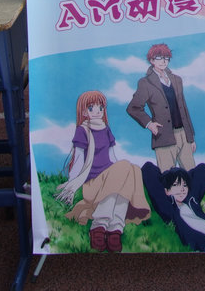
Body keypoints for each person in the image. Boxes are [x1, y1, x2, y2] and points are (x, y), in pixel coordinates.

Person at [55, 90, 150, 253]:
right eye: (91, 108)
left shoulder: (106, 129)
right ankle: (98, 226)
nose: (97, 111)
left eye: (100, 107)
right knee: (126, 168)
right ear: (84, 111)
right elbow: (78, 159)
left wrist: (123, 174)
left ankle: (115, 229)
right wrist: (71, 183)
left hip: (109, 178)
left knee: (131, 170)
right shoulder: (83, 130)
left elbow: (112, 157)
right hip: (93, 183)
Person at [126, 43, 195, 172]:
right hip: (163, 136)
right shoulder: (146, 83)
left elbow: (184, 109)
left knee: (191, 174)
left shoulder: (177, 80)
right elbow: (133, 108)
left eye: (166, 58)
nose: (163, 61)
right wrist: (149, 124)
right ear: (152, 60)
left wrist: (190, 138)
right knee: (167, 177)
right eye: (159, 57)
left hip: (183, 134)